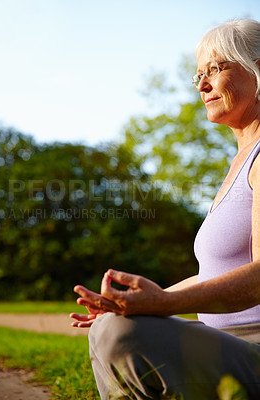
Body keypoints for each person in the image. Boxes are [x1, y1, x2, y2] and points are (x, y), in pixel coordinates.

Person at [70, 19, 260, 399]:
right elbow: (214, 273)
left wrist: (166, 303)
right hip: (221, 340)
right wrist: (133, 304)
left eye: (216, 69)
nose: (203, 85)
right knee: (112, 323)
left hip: (252, 348)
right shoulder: (241, 160)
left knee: (120, 333)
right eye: (198, 76)